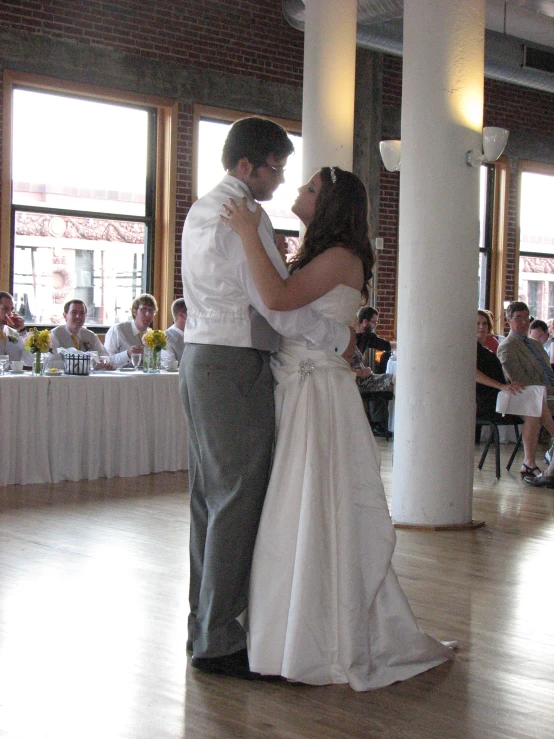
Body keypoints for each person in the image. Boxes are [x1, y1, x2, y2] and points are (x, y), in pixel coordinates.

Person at [223, 165, 454, 691]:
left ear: (329, 205)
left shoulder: (339, 257)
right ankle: (291, 628)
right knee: (298, 507)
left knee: (309, 506)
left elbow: (279, 300)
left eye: (308, 189)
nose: (298, 192)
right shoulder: (324, 255)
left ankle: (311, 635)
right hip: (303, 381)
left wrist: (245, 236)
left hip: (315, 391)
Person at [180, 118, 354, 680]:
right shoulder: (241, 218)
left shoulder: (205, 208)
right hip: (233, 363)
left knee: (210, 498)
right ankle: (220, 640)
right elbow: (277, 305)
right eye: (276, 169)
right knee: (236, 497)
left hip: (206, 359)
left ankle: (203, 624)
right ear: (247, 165)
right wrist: (337, 339)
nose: (281, 181)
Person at [476, 309, 554, 478]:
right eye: (477, 323)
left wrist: (506, 386)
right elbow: (473, 373)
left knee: (534, 409)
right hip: (489, 400)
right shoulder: (471, 348)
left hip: (502, 393)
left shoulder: (487, 347)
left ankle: (528, 462)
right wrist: (502, 386)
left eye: (484, 323)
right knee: (535, 398)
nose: (481, 327)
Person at [497, 302, 554, 413]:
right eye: (518, 318)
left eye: (526, 317)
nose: (524, 322)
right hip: (535, 397)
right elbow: (521, 382)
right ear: (509, 321)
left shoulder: (536, 344)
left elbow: (547, 370)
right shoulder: (507, 347)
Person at [50, 299, 114, 369]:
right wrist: (85, 364)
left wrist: (105, 364)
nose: (78, 316)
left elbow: (105, 357)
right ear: (65, 315)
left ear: (85, 316)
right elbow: (53, 363)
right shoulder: (54, 335)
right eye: (74, 312)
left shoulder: (90, 336)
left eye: (82, 313)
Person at [104, 293, 158, 368]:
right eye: (144, 310)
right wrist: (127, 354)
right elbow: (106, 361)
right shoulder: (118, 330)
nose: (148, 314)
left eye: (151, 311)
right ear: (134, 312)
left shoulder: (152, 335)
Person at [354, 305, 391, 372]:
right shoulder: (350, 335)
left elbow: (386, 345)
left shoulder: (368, 336)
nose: (375, 325)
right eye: (374, 322)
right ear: (365, 322)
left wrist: (402, 346)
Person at [0, 291, 32, 366]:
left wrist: (22, 332)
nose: (9, 313)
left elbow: (30, 361)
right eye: (5, 308)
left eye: (11, 309)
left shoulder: (15, 333)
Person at [162, 298, 187, 365]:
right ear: (182, 315)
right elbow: (169, 365)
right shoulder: (165, 337)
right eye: (191, 313)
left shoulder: (196, 335)